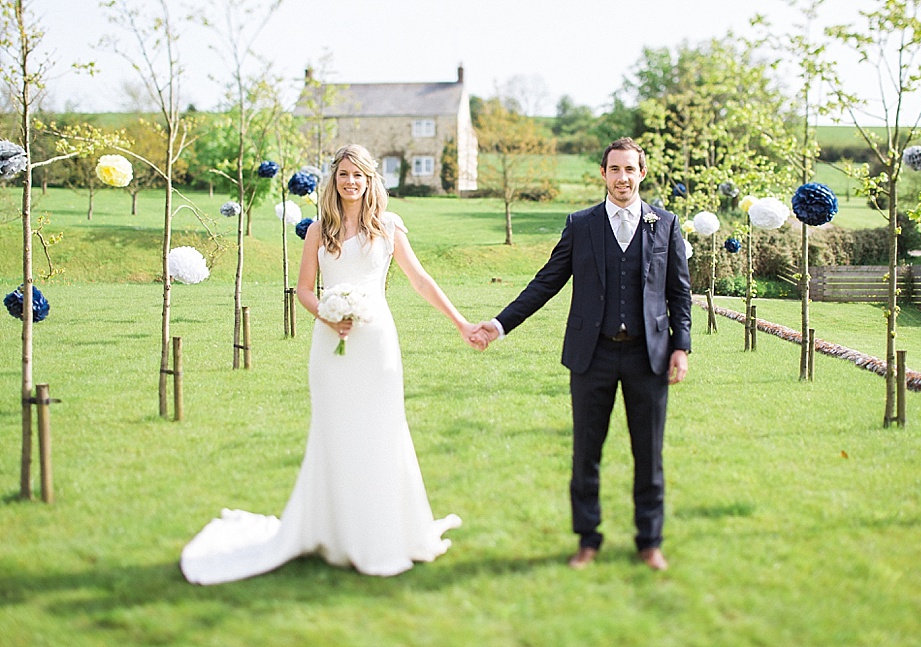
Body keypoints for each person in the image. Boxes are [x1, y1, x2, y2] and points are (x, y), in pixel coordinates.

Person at [180, 144, 480, 584]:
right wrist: (327, 313)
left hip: (377, 347)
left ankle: (384, 531)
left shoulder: (390, 227)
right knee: (335, 434)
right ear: (333, 181)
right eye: (343, 175)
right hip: (330, 345)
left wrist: (460, 322)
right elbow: (304, 289)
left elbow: (420, 279)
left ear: (370, 180)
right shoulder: (320, 230)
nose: (351, 182)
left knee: (382, 431)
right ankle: (333, 532)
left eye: (358, 175)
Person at [472, 137, 691, 571]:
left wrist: (681, 345)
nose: (622, 177)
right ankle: (587, 539)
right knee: (586, 452)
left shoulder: (665, 224)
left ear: (641, 173)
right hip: (593, 358)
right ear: (603, 173)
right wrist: (499, 325)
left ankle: (649, 541)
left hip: (649, 356)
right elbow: (545, 282)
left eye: (630, 169)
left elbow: (679, 293)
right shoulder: (581, 224)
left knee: (649, 454)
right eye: (615, 169)